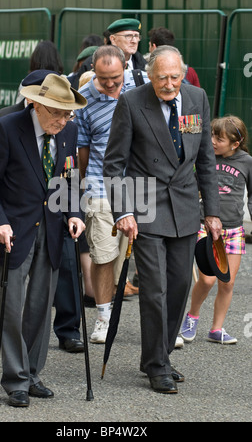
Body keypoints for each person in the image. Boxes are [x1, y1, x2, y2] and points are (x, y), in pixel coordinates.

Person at [103, 45, 222, 394]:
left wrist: (212, 212)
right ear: (149, 75)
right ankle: (157, 365)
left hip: (185, 207)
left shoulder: (197, 98)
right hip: (146, 207)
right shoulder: (131, 101)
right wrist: (123, 211)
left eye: (175, 77)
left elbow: (205, 159)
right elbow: (113, 165)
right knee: (154, 290)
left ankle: (159, 355)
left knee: (179, 288)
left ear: (183, 74)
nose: (169, 85)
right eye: (161, 78)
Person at [0, 73, 86, 407]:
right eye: (57, 113)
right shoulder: (6, 128)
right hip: (13, 231)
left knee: (40, 306)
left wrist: (75, 214)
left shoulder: (68, 131)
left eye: (68, 114)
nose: (63, 120)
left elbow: (68, 180)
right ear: (37, 104)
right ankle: (15, 380)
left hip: (51, 231)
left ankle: (33, 372)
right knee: (11, 308)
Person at [75, 45, 149, 344]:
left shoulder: (141, 85)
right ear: (93, 70)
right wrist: (85, 188)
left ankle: (157, 326)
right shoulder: (84, 100)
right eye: (104, 78)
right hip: (100, 185)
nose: (110, 85)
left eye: (116, 78)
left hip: (141, 184)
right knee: (104, 255)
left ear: (125, 69)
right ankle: (104, 318)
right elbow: (83, 150)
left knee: (147, 257)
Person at [181, 116, 252, 345]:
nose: (212, 141)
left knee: (227, 282)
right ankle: (192, 317)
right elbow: (191, 186)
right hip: (205, 226)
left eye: (219, 139)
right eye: (211, 135)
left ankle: (216, 329)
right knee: (208, 280)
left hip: (234, 229)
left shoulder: (246, 162)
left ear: (235, 143)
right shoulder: (205, 157)